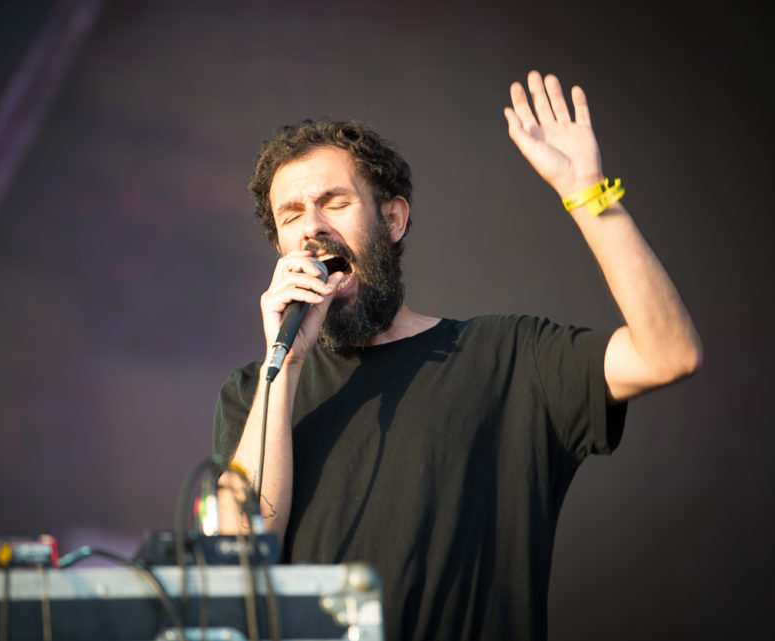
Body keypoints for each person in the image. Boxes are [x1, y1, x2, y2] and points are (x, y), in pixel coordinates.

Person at [212, 71, 701, 640]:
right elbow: (236, 564)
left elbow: (668, 353)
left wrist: (588, 194)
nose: (312, 229)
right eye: (291, 215)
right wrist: (286, 365)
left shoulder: (509, 357)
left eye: (334, 202)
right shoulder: (256, 392)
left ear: (393, 219)